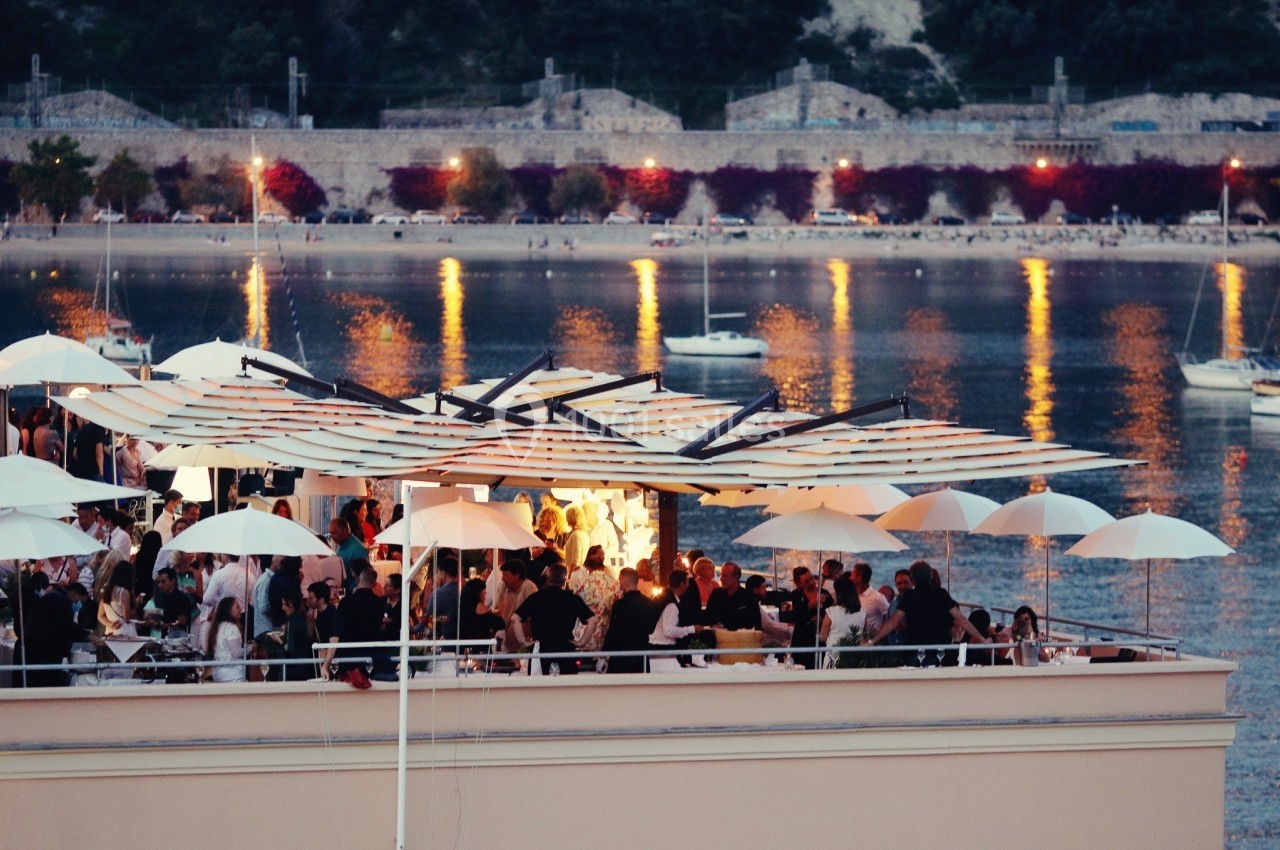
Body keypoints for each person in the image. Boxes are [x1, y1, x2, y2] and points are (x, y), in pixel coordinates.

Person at [863, 561, 988, 663]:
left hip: (913, 651)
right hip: (937, 653)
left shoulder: (910, 596)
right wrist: (982, 639)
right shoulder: (941, 594)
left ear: (913, 579)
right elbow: (961, 619)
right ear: (930, 576)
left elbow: (894, 621)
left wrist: (871, 641)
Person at [515, 564, 596, 675]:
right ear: (565, 579)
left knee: (540, 687)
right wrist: (582, 642)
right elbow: (593, 620)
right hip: (565, 647)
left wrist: (522, 641)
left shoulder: (536, 597)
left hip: (541, 648)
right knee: (566, 687)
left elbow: (515, 618)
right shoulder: (573, 598)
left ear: (548, 578)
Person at [23, 573, 76, 687]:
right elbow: (65, 626)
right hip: (42, 646)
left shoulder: (47, 601)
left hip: (34, 643)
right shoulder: (58, 603)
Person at [602, 568, 655, 673]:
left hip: (621, 656)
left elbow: (614, 630)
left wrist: (604, 653)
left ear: (624, 582)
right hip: (641, 654)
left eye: (620, 580)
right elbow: (651, 628)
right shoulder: (649, 603)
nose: (619, 583)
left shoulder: (620, 605)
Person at [781, 567, 834, 670]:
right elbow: (799, 612)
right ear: (799, 583)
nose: (811, 582)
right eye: (807, 581)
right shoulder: (796, 595)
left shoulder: (824, 593)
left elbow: (832, 614)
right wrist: (816, 602)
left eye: (811, 578)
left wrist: (823, 620)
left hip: (820, 637)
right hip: (802, 637)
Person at [648, 569, 708, 661]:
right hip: (663, 648)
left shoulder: (661, 598)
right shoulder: (671, 605)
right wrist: (692, 629)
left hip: (656, 645)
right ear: (681, 584)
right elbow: (669, 631)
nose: (688, 585)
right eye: (687, 582)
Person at [573, 545, 619, 652]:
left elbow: (574, 604)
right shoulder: (614, 583)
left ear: (589, 567)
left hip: (584, 635)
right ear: (602, 566)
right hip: (606, 633)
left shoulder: (583, 583)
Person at [819, 575, 866, 669]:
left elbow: (822, 637)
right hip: (855, 657)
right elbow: (863, 633)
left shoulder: (831, 612)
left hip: (833, 658)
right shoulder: (863, 611)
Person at [492, 560, 537, 652]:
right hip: (504, 629)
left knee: (516, 625)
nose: (502, 579)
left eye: (505, 575)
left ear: (516, 575)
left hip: (523, 632)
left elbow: (534, 615)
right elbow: (497, 608)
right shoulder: (503, 586)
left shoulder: (529, 587)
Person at [707, 561, 760, 631]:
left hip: (741, 638)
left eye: (725, 576)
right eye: (721, 575)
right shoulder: (716, 594)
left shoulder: (748, 597)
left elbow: (756, 624)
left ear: (736, 577)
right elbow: (708, 618)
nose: (721, 578)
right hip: (718, 637)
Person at [306, 582, 344, 681]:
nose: (308, 600)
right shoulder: (318, 614)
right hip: (322, 659)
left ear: (321, 599)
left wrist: (326, 666)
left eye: (311, 598)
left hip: (333, 664)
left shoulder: (332, 616)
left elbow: (333, 644)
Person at [206, 597, 246, 683]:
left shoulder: (217, 627)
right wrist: (250, 648)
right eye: (237, 607)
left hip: (218, 673)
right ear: (229, 610)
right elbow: (236, 653)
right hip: (233, 674)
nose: (240, 609)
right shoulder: (232, 628)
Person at [424, 558, 461, 642]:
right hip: (464, 638)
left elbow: (430, 618)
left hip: (444, 639)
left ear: (443, 574)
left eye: (438, 572)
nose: (436, 575)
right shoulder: (464, 590)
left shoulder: (438, 594)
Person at [458, 577, 504, 643]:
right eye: (484, 590)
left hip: (465, 641)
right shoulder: (479, 606)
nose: (486, 593)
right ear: (478, 592)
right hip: (478, 643)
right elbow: (499, 624)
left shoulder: (464, 604)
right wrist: (501, 612)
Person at [97, 560, 136, 635]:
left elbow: (100, 616)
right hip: (125, 631)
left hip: (110, 631)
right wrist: (136, 604)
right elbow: (127, 618)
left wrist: (110, 624)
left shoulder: (106, 590)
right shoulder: (123, 592)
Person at [329, 517, 368, 592]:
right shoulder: (342, 543)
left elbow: (363, 576)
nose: (331, 537)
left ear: (345, 531)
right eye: (330, 533)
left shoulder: (357, 549)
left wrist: (349, 590)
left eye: (334, 533)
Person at [851, 562, 890, 632]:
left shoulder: (877, 598)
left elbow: (891, 618)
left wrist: (879, 634)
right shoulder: (851, 595)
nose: (850, 578)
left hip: (870, 641)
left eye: (852, 574)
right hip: (852, 640)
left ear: (859, 577)